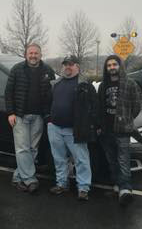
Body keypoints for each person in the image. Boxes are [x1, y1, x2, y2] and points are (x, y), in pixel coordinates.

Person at [5, 43, 56, 193]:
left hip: (39, 117)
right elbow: (8, 93)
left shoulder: (48, 71)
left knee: (33, 149)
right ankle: (30, 179)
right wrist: (11, 113)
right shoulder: (17, 69)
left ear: (41, 55)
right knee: (22, 149)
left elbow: (53, 93)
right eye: (31, 53)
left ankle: (17, 177)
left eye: (36, 53)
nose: (33, 56)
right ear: (26, 54)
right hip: (20, 116)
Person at [47, 56, 97, 200]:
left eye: (71, 64)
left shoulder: (85, 84)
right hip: (55, 128)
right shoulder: (56, 84)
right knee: (59, 158)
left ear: (77, 66)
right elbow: (48, 103)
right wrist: (49, 120)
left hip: (75, 130)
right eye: (65, 65)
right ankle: (62, 184)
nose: (67, 67)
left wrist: (93, 125)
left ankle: (83, 188)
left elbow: (94, 106)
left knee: (81, 159)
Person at [97, 54, 142, 206]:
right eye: (109, 65)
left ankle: (125, 189)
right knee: (112, 160)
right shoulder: (103, 86)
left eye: (114, 65)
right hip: (106, 130)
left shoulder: (129, 84)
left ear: (119, 66)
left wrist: (127, 120)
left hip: (122, 130)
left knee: (123, 160)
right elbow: (100, 108)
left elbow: (136, 107)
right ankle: (116, 184)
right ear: (106, 68)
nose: (111, 68)